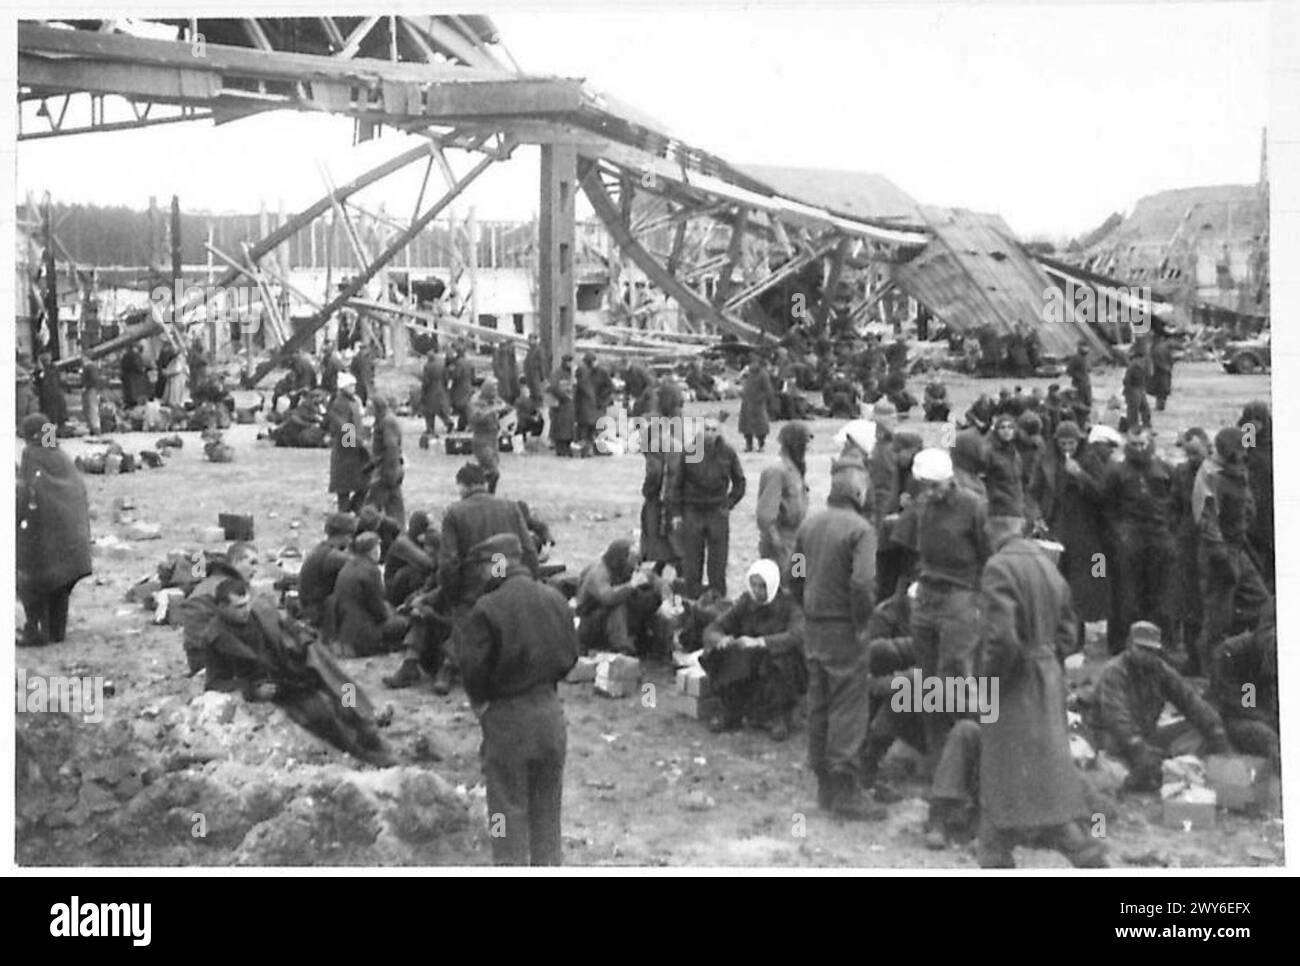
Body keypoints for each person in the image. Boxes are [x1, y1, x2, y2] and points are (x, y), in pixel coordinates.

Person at [972, 518, 1107, 868]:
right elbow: (1068, 633)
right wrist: (1047, 658)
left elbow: (1001, 639)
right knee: (1041, 772)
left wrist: (988, 681)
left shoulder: (998, 567)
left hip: (1013, 685)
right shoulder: (1046, 565)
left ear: (992, 529)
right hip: (1046, 679)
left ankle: (1060, 846)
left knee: (1005, 775)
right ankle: (1078, 848)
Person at [456, 533, 579, 865]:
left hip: (508, 719)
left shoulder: (487, 608)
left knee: (505, 811)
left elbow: (472, 670)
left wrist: (482, 705)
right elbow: (570, 657)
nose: (480, 575)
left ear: (497, 564)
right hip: (551, 715)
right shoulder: (555, 599)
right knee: (547, 810)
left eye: (483, 567)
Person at [201, 578, 393, 766]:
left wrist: (302, 640)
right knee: (322, 715)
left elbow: (289, 627)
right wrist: (251, 690)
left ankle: (368, 726)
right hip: (277, 686)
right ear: (221, 607)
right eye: (239, 607)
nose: (246, 610)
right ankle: (359, 753)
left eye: (246, 603)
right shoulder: (215, 637)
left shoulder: (261, 610)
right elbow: (214, 682)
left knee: (341, 688)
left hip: (295, 664)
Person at [791, 456, 884, 820]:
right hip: (844, 627)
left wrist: (805, 605)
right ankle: (846, 789)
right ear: (859, 493)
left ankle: (824, 786)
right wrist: (862, 620)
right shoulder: (861, 530)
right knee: (848, 704)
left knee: (819, 702)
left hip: (814, 626)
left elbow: (794, 573)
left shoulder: (808, 525)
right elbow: (862, 582)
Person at [891, 448, 991, 774]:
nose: (931, 493)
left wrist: (980, 599)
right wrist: (913, 586)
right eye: (925, 487)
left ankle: (972, 757)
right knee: (928, 679)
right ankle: (938, 759)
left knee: (958, 676)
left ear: (950, 480)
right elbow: (909, 550)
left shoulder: (974, 506)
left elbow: (989, 556)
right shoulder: (923, 506)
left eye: (936, 486)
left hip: (961, 597)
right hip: (927, 597)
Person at [1094, 622, 1230, 791]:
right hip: (1114, 740)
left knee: (1198, 730)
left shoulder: (1159, 669)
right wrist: (1137, 747)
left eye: (1151, 651)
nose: (1147, 655)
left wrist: (1215, 730)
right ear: (1129, 645)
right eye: (1141, 649)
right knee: (1116, 777)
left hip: (1145, 735)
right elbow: (1115, 716)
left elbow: (1189, 700)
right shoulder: (1115, 671)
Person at [1191, 426, 1272, 671]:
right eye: (1238, 452)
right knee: (1217, 621)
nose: (1243, 456)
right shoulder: (1211, 475)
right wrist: (1222, 559)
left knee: (1263, 603)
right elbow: (1207, 521)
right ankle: (1212, 674)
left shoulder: (1236, 469)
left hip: (1238, 548)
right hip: (1220, 554)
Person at [700, 558, 807, 740]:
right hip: (751, 658)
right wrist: (721, 639)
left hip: (779, 656)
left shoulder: (789, 604)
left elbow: (797, 635)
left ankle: (778, 716)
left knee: (780, 663)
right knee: (722, 654)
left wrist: (762, 642)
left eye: (762, 586)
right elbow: (714, 628)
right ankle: (731, 711)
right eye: (754, 585)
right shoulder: (746, 601)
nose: (757, 591)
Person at [1030, 422, 1108, 652]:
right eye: (1063, 443)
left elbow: (1102, 494)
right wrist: (1036, 516)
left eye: (1071, 443)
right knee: (1053, 583)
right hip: (1055, 528)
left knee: (1082, 586)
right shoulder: (1046, 459)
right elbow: (1033, 492)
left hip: (1084, 531)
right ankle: (1055, 635)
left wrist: (1080, 475)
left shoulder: (1090, 460)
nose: (1067, 448)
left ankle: (1077, 638)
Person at [16, 413, 92, 647]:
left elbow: (28, 495)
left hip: (50, 548)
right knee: (60, 585)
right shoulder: (62, 456)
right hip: (77, 548)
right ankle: (56, 630)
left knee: (28, 570)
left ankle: (35, 630)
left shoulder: (31, 455)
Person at [1103, 427, 1175, 646]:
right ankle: (1121, 642)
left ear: (1150, 443)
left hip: (1158, 535)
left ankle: (1160, 642)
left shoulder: (1164, 469)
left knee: (1159, 592)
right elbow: (1108, 506)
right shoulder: (1116, 471)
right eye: (1134, 444)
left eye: (1143, 444)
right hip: (1129, 536)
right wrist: (1119, 533)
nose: (1139, 449)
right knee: (1127, 594)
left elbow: (1174, 502)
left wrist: (1169, 531)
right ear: (1128, 445)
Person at [669, 415, 746, 599]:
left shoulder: (728, 453)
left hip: (717, 512)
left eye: (713, 430)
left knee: (718, 563)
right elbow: (677, 485)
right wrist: (676, 513)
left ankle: (717, 600)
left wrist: (729, 503)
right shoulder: (689, 452)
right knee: (692, 562)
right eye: (706, 429)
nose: (710, 434)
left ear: (719, 432)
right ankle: (692, 600)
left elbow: (740, 482)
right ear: (700, 430)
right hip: (693, 511)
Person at [1209, 605, 1278, 768]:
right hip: (1233, 716)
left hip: (1258, 709)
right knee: (1268, 737)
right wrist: (1265, 717)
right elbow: (1238, 702)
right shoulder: (1233, 652)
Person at [574, 538, 664, 657]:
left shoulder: (624, 569)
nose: (635, 566)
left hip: (609, 621)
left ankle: (652, 643)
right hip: (591, 622)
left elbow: (655, 579)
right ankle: (622, 648)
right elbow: (608, 597)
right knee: (618, 605)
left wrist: (666, 598)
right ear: (620, 560)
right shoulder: (598, 573)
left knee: (649, 598)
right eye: (631, 561)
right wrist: (631, 585)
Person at [1168, 428, 1210, 668]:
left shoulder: (1215, 472)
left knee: (1207, 603)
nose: (1193, 457)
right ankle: (1193, 658)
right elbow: (1172, 505)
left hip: (1209, 544)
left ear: (1207, 447)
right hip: (1186, 544)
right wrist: (1176, 530)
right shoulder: (1181, 472)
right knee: (1187, 602)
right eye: (1189, 453)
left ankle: (1205, 660)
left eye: (1196, 452)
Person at [330, 532, 408, 657]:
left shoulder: (348, 566)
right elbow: (378, 611)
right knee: (404, 623)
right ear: (374, 550)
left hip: (344, 632)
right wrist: (393, 613)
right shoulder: (372, 571)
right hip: (363, 635)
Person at [755, 422, 811, 581]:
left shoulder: (795, 470)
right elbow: (766, 515)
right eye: (804, 444)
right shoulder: (777, 471)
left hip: (797, 540)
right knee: (783, 588)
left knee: (798, 582)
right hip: (781, 541)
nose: (806, 449)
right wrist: (776, 542)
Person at [298, 513, 357, 636]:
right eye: (349, 536)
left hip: (309, 607)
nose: (351, 540)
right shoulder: (332, 556)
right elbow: (358, 565)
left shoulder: (321, 549)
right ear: (345, 536)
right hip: (317, 611)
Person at [1238, 401, 1274, 588]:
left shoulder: (1272, 445)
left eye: (1256, 422)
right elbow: (1244, 450)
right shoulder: (1249, 440)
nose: (1252, 426)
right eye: (1249, 422)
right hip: (1252, 500)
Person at [327, 373, 367, 513]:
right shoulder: (339, 403)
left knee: (364, 483)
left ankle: (354, 506)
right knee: (343, 488)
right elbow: (342, 425)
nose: (353, 387)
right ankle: (344, 513)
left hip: (354, 449)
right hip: (345, 451)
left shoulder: (355, 401)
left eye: (354, 385)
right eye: (350, 385)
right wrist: (357, 442)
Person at [366, 396, 405, 526]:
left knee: (371, 507)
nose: (367, 409)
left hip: (385, 468)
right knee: (394, 505)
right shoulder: (383, 418)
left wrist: (353, 443)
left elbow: (391, 447)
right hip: (386, 467)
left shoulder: (386, 421)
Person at [985, 413, 1025, 533]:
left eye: (1010, 427)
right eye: (1002, 427)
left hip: (1016, 509)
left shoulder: (1016, 454)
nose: (1006, 431)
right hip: (997, 510)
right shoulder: (989, 453)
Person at [468, 377, 508, 494]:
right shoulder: (475, 401)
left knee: (489, 469)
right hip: (481, 438)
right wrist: (492, 410)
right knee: (493, 471)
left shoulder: (494, 399)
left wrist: (504, 409)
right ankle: (487, 494)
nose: (496, 391)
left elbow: (503, 405)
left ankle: (481, 492)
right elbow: (475, 418)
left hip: (493, 438)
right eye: (493, 388)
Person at [738, 355, 775, 452]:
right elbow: (743, 383)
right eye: (750, 363)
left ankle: (761, 445)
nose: (752, 365)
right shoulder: (747, 373)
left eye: (754, 362)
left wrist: (761, 398)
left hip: (758, 404)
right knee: (746, 426)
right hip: (747, 402)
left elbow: (768, 390)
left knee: (760, 426)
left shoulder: (763, 374)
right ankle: (749, 445)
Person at [419, 349, 453, 445]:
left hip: (431, 391)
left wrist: (423, 391)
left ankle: (430, 429)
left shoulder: (427, 367)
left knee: (429, 411)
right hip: (441, 389)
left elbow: (426, 381)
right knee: (440, 410)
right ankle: (448, 421)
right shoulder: (441, 366)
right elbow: (446, 378)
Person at [547, 356, 576, 457]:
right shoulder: (558, 373)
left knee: (567, 428)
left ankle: (565, 448)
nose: (570, 364)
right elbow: (553, 387)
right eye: (569, 362)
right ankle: (561, 448)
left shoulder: (570, 374)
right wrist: (564, 396)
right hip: (561, 405)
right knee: (560, 428)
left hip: (568, 405)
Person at [34, 353, 69, 429]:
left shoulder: (53, 368)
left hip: (54, 394)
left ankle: (60, 432)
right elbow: (38, 381)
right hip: (48, 396)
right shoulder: (41, 370)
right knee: (49, 417)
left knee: (57, 415)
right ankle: (49, 438)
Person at [1122, 342, 1151, 432]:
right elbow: (1126, 379)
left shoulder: (1144, 363)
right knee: (1134, 409)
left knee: (1144, 407)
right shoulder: (1133, 365)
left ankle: (1146, 425)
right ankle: (1133, 427)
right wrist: (1128, 390)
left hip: (1140, 388)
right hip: (1133, 388)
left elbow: (1147, 376)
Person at [450, 348, 476, 431]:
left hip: (460, 387)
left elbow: (456, 376)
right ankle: (462, 425)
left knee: (462, 407)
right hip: (468, 386)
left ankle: (470, 425)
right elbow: (473, 377)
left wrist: (451, 373)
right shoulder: (470, 363)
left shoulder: (458, 363)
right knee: (465, 407)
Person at [120, 343, 151, 408]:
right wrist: (146, 369)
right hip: (136, 378)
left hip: (127, 377)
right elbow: (138, 367)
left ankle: (129, 404)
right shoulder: (136, 355)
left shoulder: (125, 355)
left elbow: (123, 366)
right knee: (136, 393)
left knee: (129, 393)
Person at [1150, 333, 1174, 411]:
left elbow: (1156, 360)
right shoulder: (1162, 348)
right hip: (1163, 371)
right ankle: (1160, 405)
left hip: (1161, 371)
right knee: (1162, 390)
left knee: (1161, 390)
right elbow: (1170, 360)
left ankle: (1160, 406)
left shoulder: (1158, 347)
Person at [80, 360, 105, 435]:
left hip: (90, 389)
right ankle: (94, 428)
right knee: (91, 408)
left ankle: (95, 428)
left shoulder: (89, 367)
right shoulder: (92, 367)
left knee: (91, 408)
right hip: (92, 389)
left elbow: (93, 379)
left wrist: (85, 386)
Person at [523, 332, 548, 404]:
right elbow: (527, 362)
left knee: (537, 391)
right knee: (532, 391)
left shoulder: (538, 350)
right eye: (529, 339)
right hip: (529, 374)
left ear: (536, 340)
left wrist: (542, 376)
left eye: (531, 339)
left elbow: (541, 363)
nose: (530, 341)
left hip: (535, 374)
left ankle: (538, 406)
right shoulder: (530, 350)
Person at [349, 343, 375, 407]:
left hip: (360, 382)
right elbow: (365, 375)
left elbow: (371, 368)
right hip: (359, 383)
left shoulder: (366, 357)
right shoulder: (361, 358)